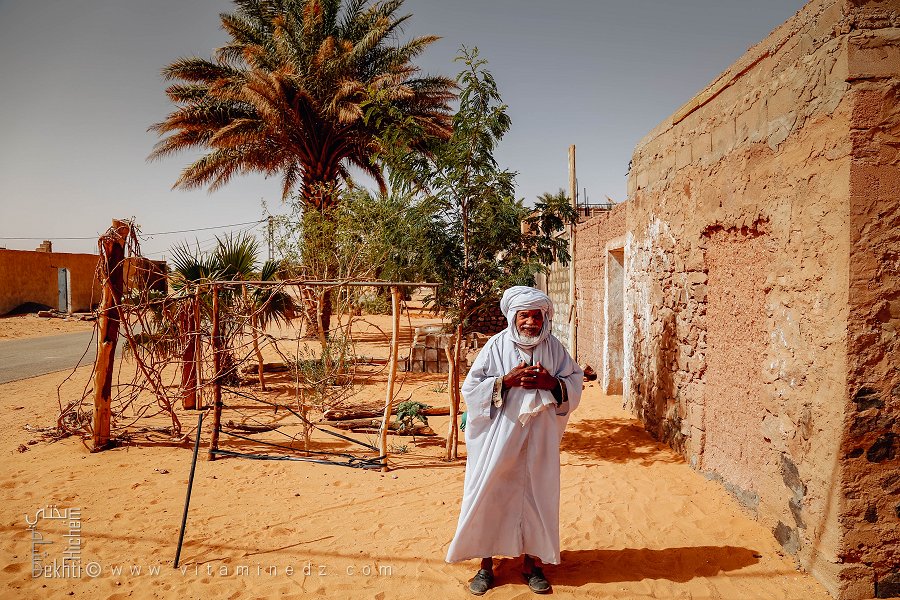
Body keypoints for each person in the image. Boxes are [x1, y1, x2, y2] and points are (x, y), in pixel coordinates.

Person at [446, 286, 583, 595]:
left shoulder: (555, 348)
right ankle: (486, 566)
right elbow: (471, 389)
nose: (530, 322)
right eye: (524, 316)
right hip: (498, 438)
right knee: (490, 493)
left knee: (538, 496)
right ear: (513, 317)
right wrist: (504, 382)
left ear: (544, 318)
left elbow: (574, 383)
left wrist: (551, 383)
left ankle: (532, 565)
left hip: (539, 440)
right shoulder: (495, 346)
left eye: (536, 316)